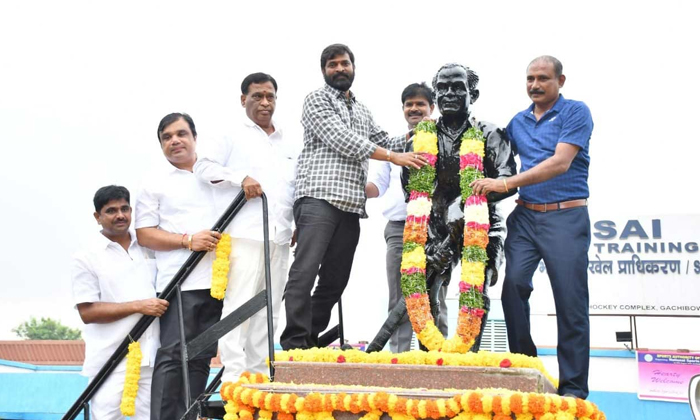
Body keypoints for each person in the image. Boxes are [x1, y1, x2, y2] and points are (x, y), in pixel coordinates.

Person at [280, 43, 427, 350]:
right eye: (332, 64)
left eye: (344, 63)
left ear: (353, 67)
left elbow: (385, 139)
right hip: (318, 198)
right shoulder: (316, 100)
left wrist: (423, 133)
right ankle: (293, 342)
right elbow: (343, 140)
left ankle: (309, 338)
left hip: (350, 206)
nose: (339, 68)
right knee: (305, 272)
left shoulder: (361, 109)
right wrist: (392, 156)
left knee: (336, 279)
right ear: (324, 71)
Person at [471, 55, 594, 398]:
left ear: (560, 81)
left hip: (565, 217)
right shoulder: (518, 121)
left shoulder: (575, 112)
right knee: (513, 287)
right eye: (530, 79)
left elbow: (559, 162)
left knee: (570, 302)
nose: (535, 85)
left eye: (542, 78)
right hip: (525, 218)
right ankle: (527, 367)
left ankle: (573, 389)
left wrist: (506, 185)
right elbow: (491, 151)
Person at [401, 63, 517, 351]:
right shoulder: (419, 139)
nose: (449, 93)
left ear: (472, 94)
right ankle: (432, 361)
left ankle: (469, 358)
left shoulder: (491, 133)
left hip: (483, 225)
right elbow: (412, 191)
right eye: (443, 87)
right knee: (425, 290)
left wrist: (466, 205)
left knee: (478, 286)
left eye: (458, 87)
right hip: (434, 227)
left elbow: (507, 180)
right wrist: (429, 233)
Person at [194, 72, 296, 383]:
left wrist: (296, 223)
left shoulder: (287, 139)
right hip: (244, 235)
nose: (265, 102)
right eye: (257, 96)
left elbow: (290, 187)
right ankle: (234, 379)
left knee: (270, 312)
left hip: (279, 237)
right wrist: (241, 178)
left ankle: (260, 377)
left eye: (270, 97)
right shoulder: (230, 133)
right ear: (243, 100)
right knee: (239, 306)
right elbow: (203, 166)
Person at [135, 113, 223, 420]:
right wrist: (188, 240)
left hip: (221, 283)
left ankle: (190, 416)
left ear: (194, 137)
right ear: (161, 145)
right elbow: (145, 234)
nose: (175, 141)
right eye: (167, 137)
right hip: (179, 284)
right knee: (172, 356)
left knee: (201, 358)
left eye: (181, 134)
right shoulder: (154, 182)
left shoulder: (216, 175)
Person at [71, 185, 167, 420]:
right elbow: (88, 311)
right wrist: (138, 306)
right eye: (111, 210)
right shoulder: (87, 257)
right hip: (110, 359)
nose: (120, 215)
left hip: (152, 356)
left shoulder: (149, 245)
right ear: (98, 217)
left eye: (124, 208)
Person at [365, 82, 447, 352]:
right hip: (399, 229)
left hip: (436, 231)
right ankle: (400, 359)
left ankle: (436, 358)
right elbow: (377, 186)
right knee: (399, 296)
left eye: (420, 104)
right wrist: (347, 186)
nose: (414, 109)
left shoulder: (445, 142)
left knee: (435, 294)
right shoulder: (393, 148)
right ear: (403, 110)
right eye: (409, 104)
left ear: (431, 108)